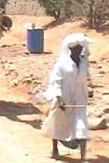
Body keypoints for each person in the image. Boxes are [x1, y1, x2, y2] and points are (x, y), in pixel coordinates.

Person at [42, 33, 91, 162]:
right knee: (58, 121)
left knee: (82, 126)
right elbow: (55, 81)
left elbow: (87, 78)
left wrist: (89, 89)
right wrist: (58, 97)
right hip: (64, 98)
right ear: (71, 49)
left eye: (81, 48)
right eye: (77, 48)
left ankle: (83, 157)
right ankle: (55, 148)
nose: (79, 50)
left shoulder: (84, 62)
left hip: (80, 98)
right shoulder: (62, 63)